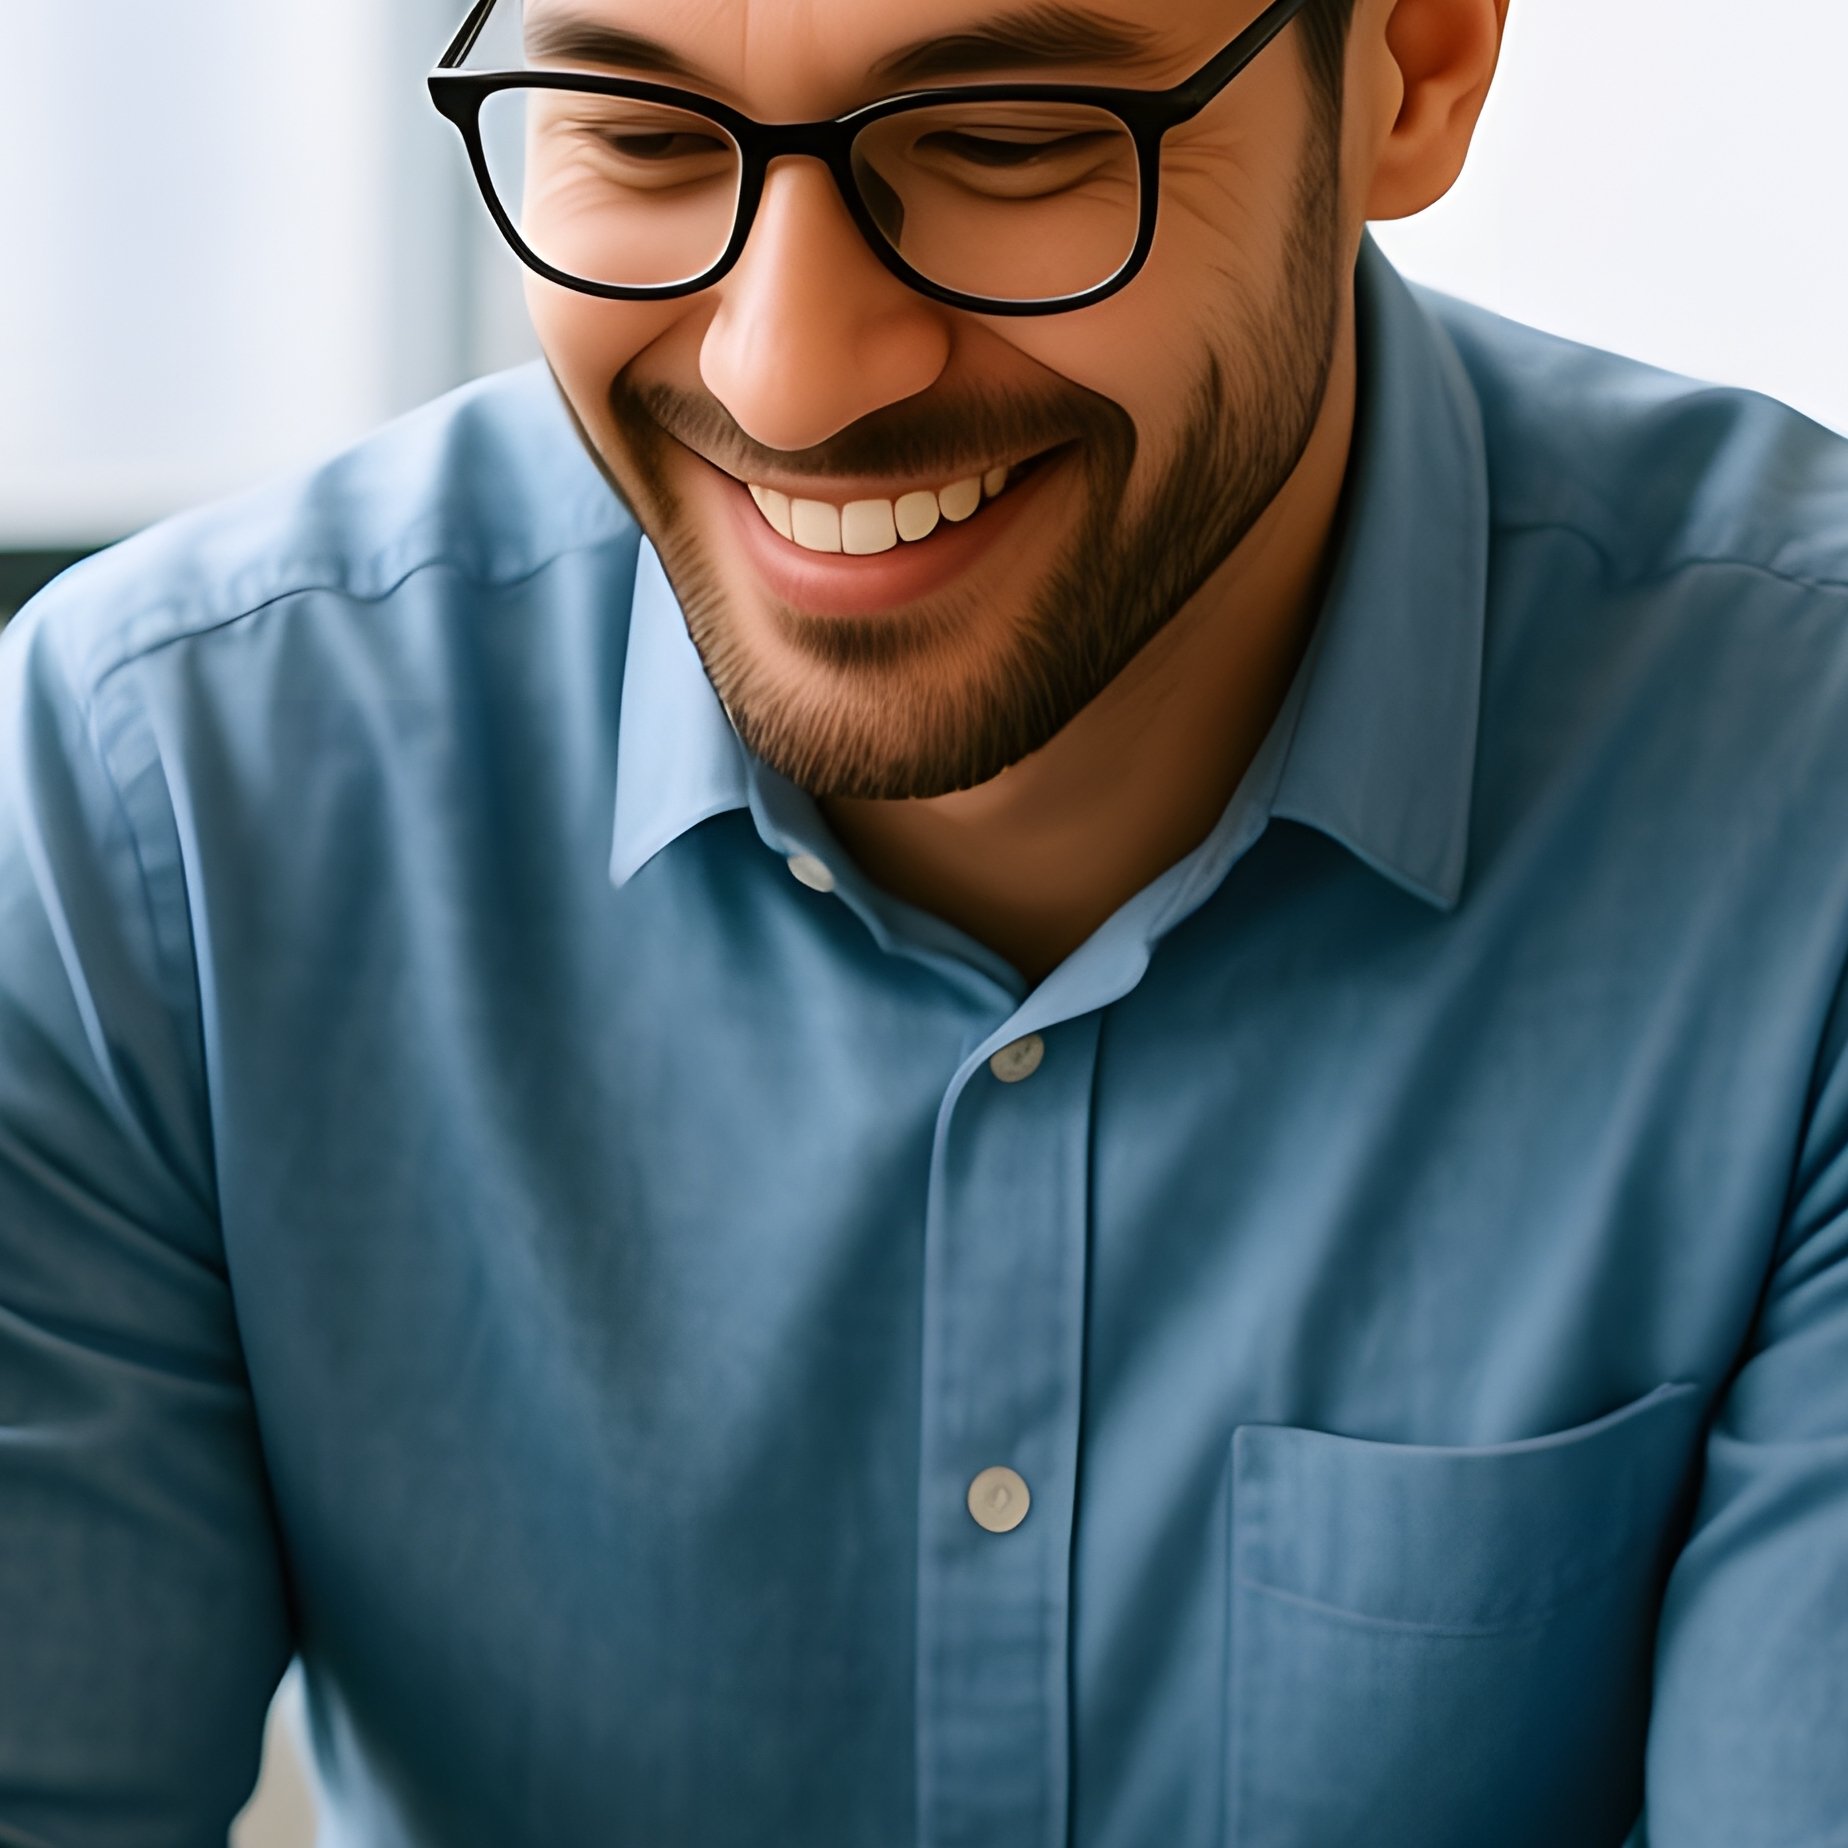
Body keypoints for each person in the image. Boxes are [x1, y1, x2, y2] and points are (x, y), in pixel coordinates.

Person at [2, 0, 1844, 1840]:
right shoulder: (153, 807)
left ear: (1411, 66)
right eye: (641, 137)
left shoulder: (1805, 796)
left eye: (1009, 140)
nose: (794, 378)